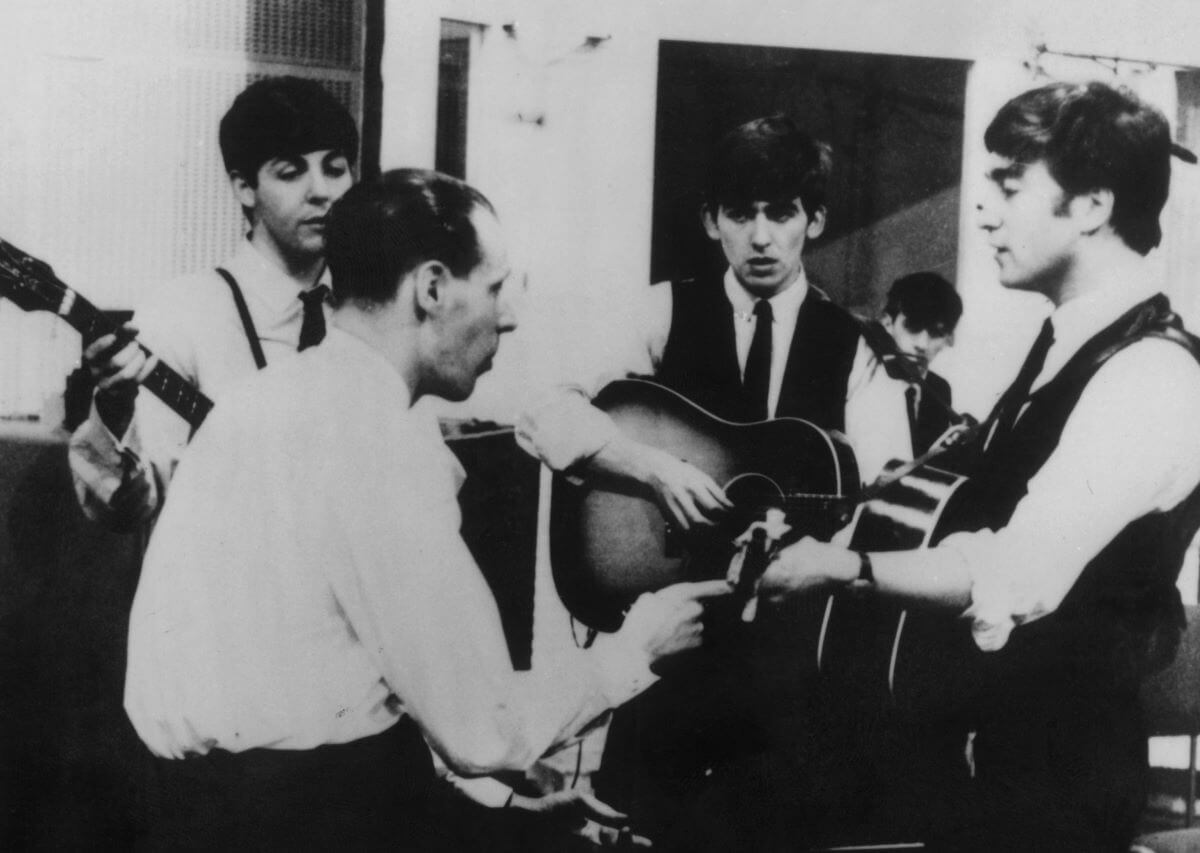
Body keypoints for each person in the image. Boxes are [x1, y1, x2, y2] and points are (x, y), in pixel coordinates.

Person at [123, 168, 730, 851]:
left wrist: (490, 807)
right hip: (305, 816)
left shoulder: (263, 401)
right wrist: (634, 649)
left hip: (204, 810)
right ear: (432, 288)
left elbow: (323, 671)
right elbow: (480, 726)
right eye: (496, 287)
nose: (511, 315)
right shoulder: (375, 439)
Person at [753, 81, 1200, 852]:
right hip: (992, 761)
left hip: (1062, 784)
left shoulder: (1152, 375)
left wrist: (842, 565)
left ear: (1091, 206)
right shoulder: (1063, 343)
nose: (983, 209)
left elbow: (1014, 570)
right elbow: (966, 509)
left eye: (1008, 184)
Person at [517, 114, 912, 843]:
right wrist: (652, 469)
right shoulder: (661, 310)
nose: (761, 237)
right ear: (711, 220)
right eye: (741, 213)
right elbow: (544, 411)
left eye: (782, 213)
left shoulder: (858, 352)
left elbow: (883, 496)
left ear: (814, 220)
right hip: (665, 651)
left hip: (787, 675)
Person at [68, 75, 357, 530]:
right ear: (244, 188)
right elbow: (126, 509)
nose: (321, 191)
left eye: (336, 169)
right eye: (291, 172)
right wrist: (115, 409)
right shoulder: (182, 314)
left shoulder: (373, 311)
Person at [850, 271, 964, 470]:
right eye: (913, 326)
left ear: (947, 338)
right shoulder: (860, 378)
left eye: (937, 333)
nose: (922, 344)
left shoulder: (940, 389)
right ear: (887, 322)